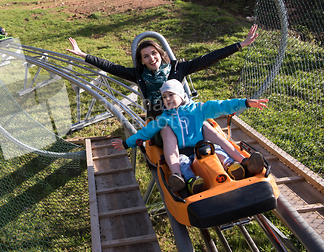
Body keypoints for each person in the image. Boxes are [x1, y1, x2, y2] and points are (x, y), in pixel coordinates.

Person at [66, 25, 262, 187]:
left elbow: (207, 59)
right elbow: (110, 67)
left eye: (154, 53)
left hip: (186, 116)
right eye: (146, 56)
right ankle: (179, 173)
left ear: (160, 53)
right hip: (163, 121)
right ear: (141, 61)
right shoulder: (139, 75)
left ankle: (238, 161)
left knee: (206, 128)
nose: (152, 59)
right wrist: (84, 55)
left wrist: (240, 45)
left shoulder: (177, 68)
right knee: (168, 130)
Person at [112, 79, 268, 194]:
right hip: (183, 151)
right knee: (183, 164)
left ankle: (240, 164)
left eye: (171, 94)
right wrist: (127, 144)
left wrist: (246, 103)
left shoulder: (198, 109)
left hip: (204, 146)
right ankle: (186, 180)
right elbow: (145, 133)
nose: (167, 99)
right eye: (164, 97)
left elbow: (221, 105)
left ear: (181, 95)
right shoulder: (164, 118)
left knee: (219, 152)